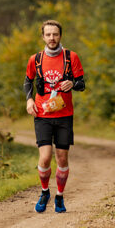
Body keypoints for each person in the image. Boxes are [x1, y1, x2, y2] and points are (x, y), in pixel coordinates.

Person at [24, 20, 85, 213]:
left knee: (62, 159)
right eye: (48, 34)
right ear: (43, 37)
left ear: (60, 36)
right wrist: (29, 100)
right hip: (42, 114)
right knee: (45, 158)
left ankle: (59, 196)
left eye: (55, 34)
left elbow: (82, 83)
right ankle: (45, 192)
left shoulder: (71, 57)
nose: (52, 38)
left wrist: (72, 84)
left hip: (64, 115)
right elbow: (28, 82)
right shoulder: (35, 59)